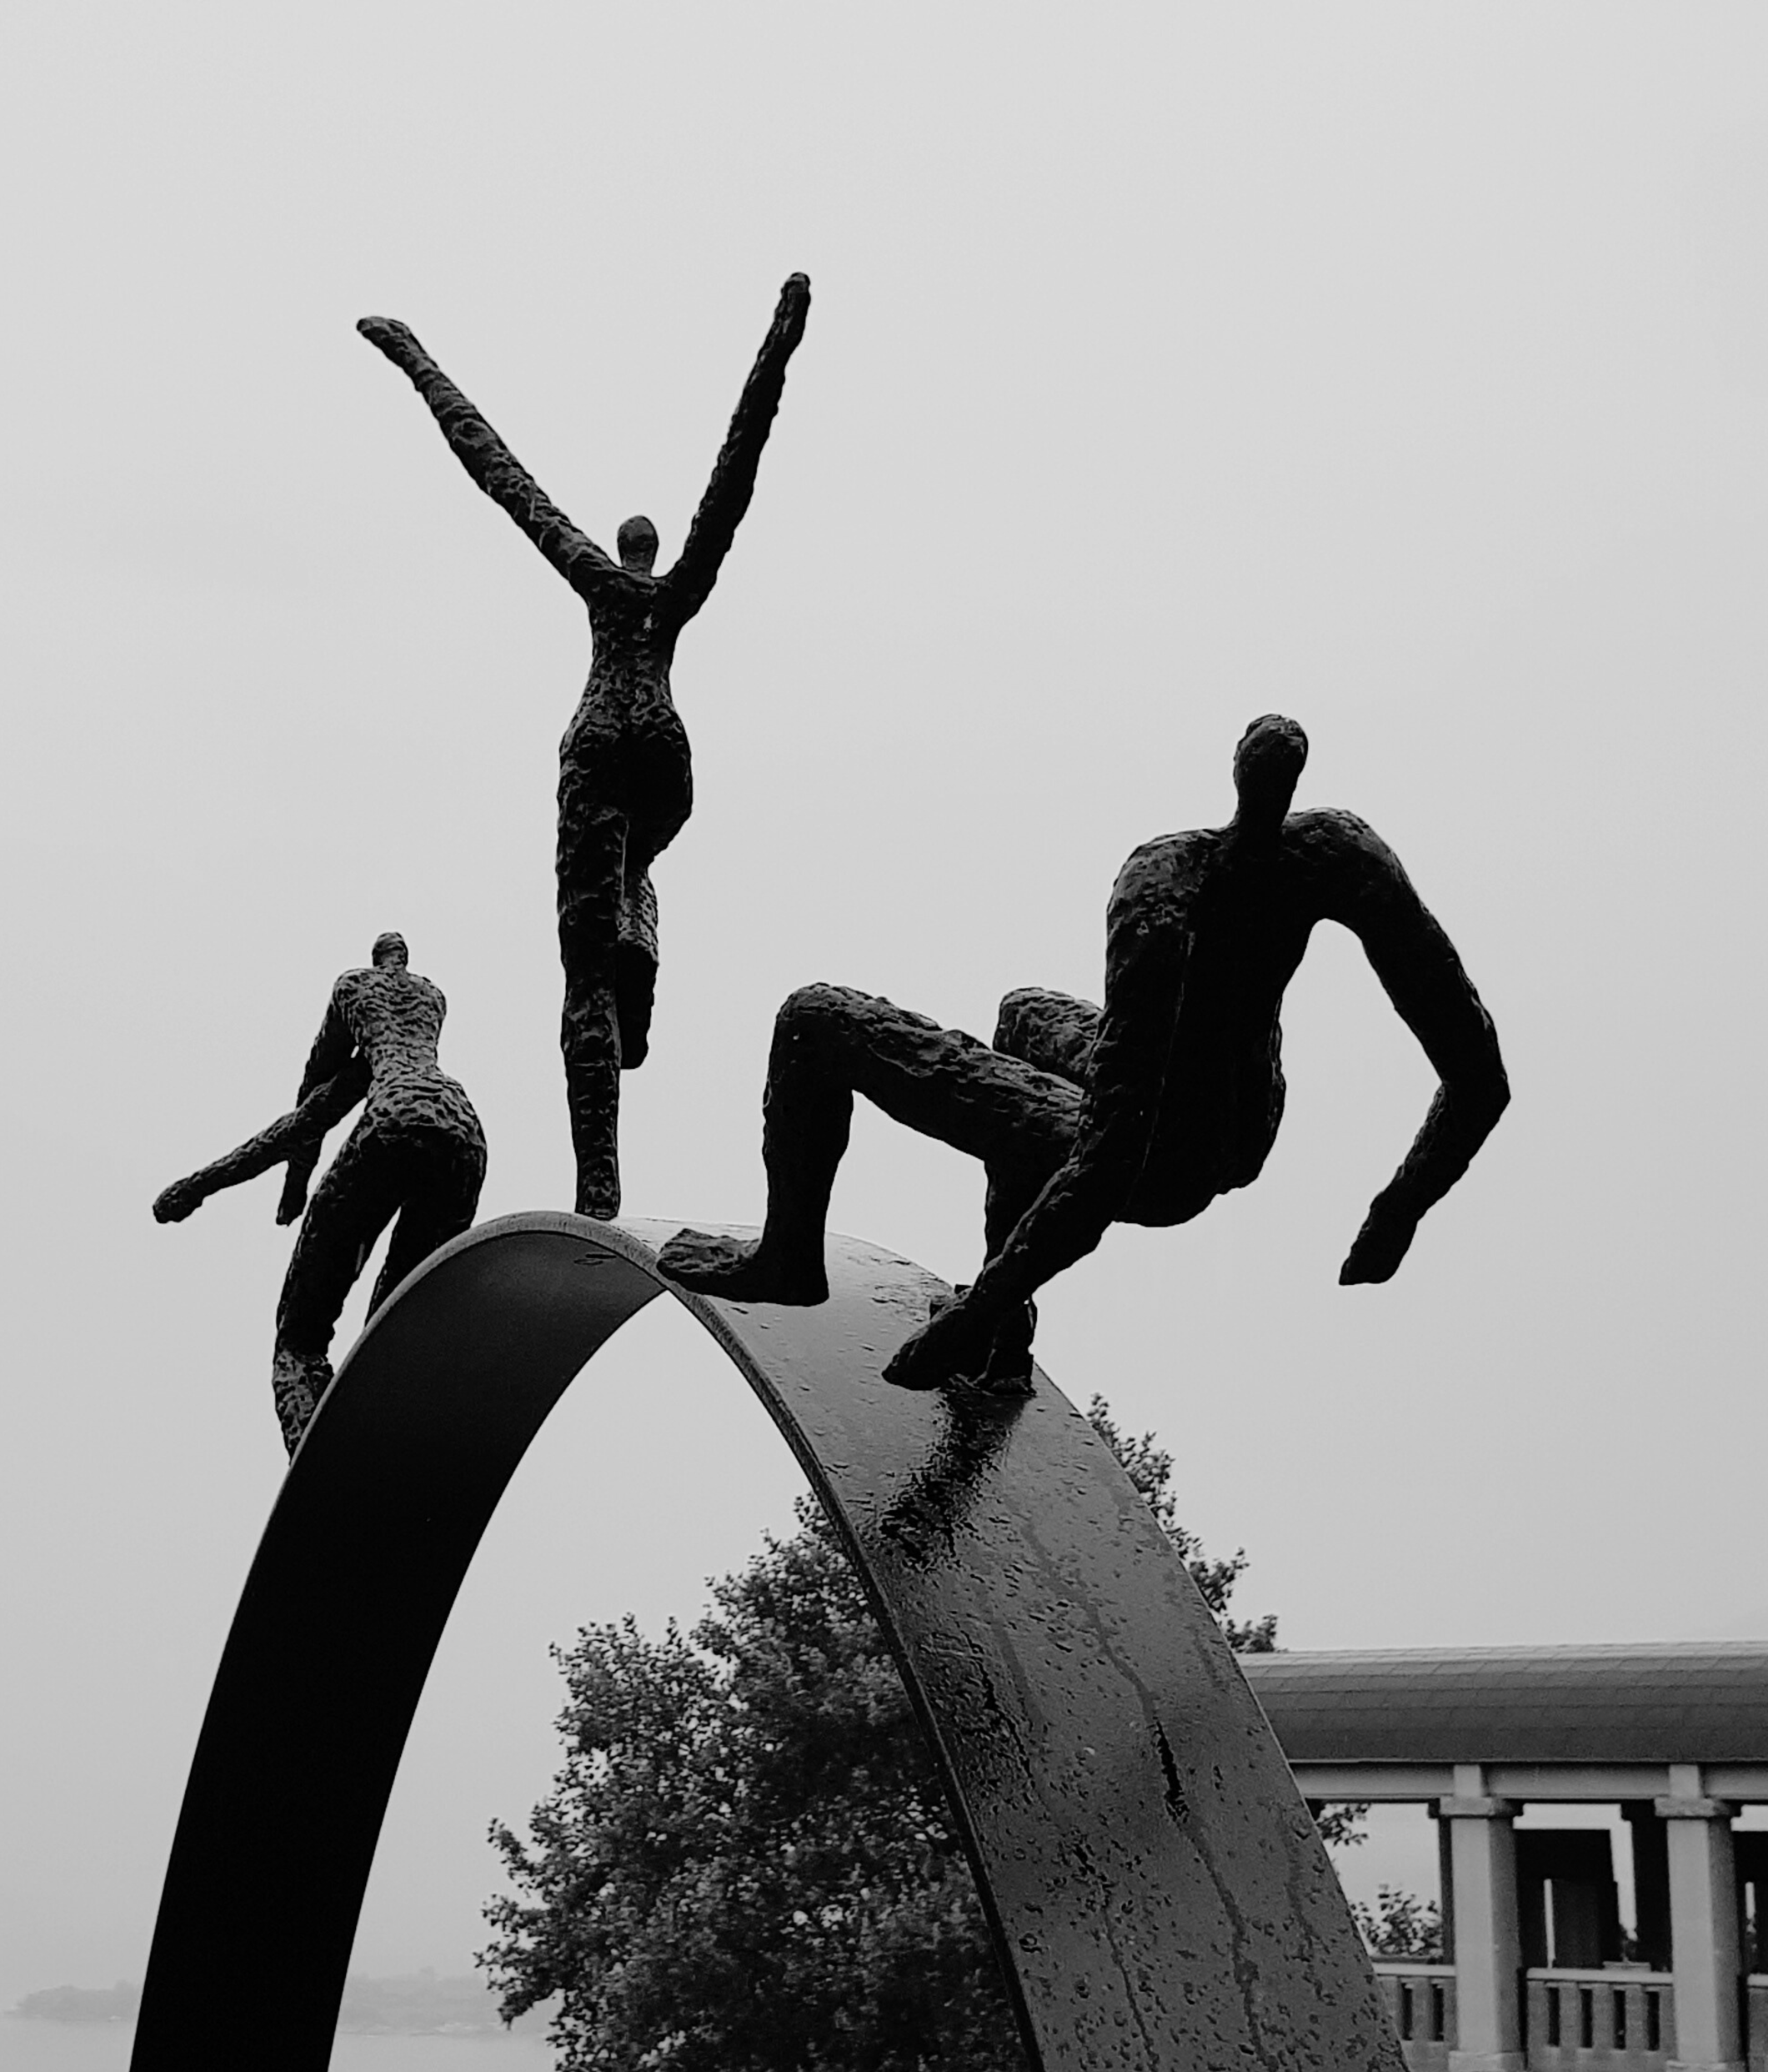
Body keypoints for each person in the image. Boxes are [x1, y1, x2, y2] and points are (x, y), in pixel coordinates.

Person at [659, 715, 1510, 1391]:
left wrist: (970, 1317)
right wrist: (1398, 1210)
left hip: (1162, 1160)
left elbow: (1108, 1158)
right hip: (1240, 1123)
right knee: (1024, 1014)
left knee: (813, 1021)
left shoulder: (1167, 889)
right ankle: (1002, 1325)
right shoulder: (1326, 853)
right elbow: (1477, 1077)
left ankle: (792, 1258)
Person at [358, 274, 811, 1220]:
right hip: (666, 753)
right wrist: (779, 340)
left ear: (617, 547)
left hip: (601, 740)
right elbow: (737, 472)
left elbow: (500, 472)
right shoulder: (675, 590)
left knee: (583, 973)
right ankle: (635, 925)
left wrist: (414, 360)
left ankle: (598, 1177)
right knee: (634, 871)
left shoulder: (599, 584)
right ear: (657, 549)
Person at [155, 933, 487, 1454]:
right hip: (464, 1130)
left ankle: (322, 1461)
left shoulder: (352, 994)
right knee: (394, 1321)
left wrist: (197, 1187)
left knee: (298, 1340)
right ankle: (397, 1439)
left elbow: (301, 1116)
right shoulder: (430, 999)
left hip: (392, 1118)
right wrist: (295, 1185)